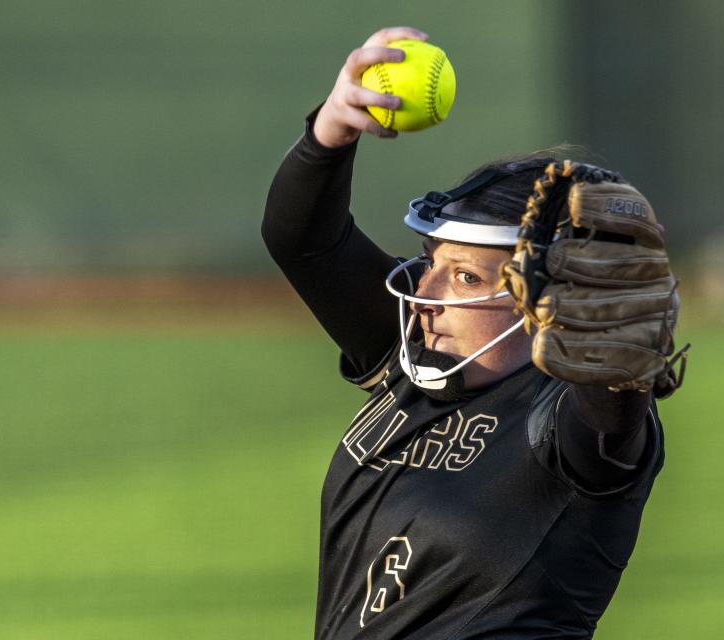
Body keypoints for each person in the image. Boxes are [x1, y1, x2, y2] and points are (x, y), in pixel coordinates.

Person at [263, 27, 670, 640]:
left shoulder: (560, 419)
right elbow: (304, 240)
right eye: (431, 262)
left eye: (463, 274)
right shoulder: (416, 357)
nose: (425, 295)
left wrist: (620, 358)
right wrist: (329, 134)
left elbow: (611, 416)